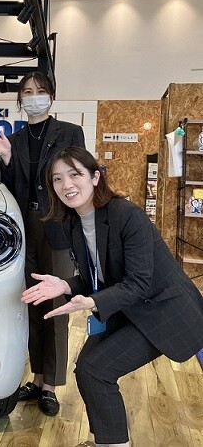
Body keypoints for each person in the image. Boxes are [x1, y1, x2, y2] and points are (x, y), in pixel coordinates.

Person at [22, 146, 203, 447]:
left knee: (97, 369)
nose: (66, 185)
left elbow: (140, 282)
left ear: (95, 177)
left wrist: (92, 302)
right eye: (57, 179)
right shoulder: (73, 222)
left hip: (163, 310)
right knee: (88, 368)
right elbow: (99, 275)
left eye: (75, 174)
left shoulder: (126, 215)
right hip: (128, 307)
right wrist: (65, 285)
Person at [0, 71, 85, 416]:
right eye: (27, 91)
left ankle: (51, 385)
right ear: (20, 99)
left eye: (40, 91)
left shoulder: (70, 132)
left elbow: (77, 177)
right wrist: (8, 159)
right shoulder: (16, 139)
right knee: (32, 306)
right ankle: (37, 378)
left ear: (51, 96)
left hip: (57, 227)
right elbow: (12, 189)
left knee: (55, 306)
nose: (33, 96)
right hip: (25, 228)